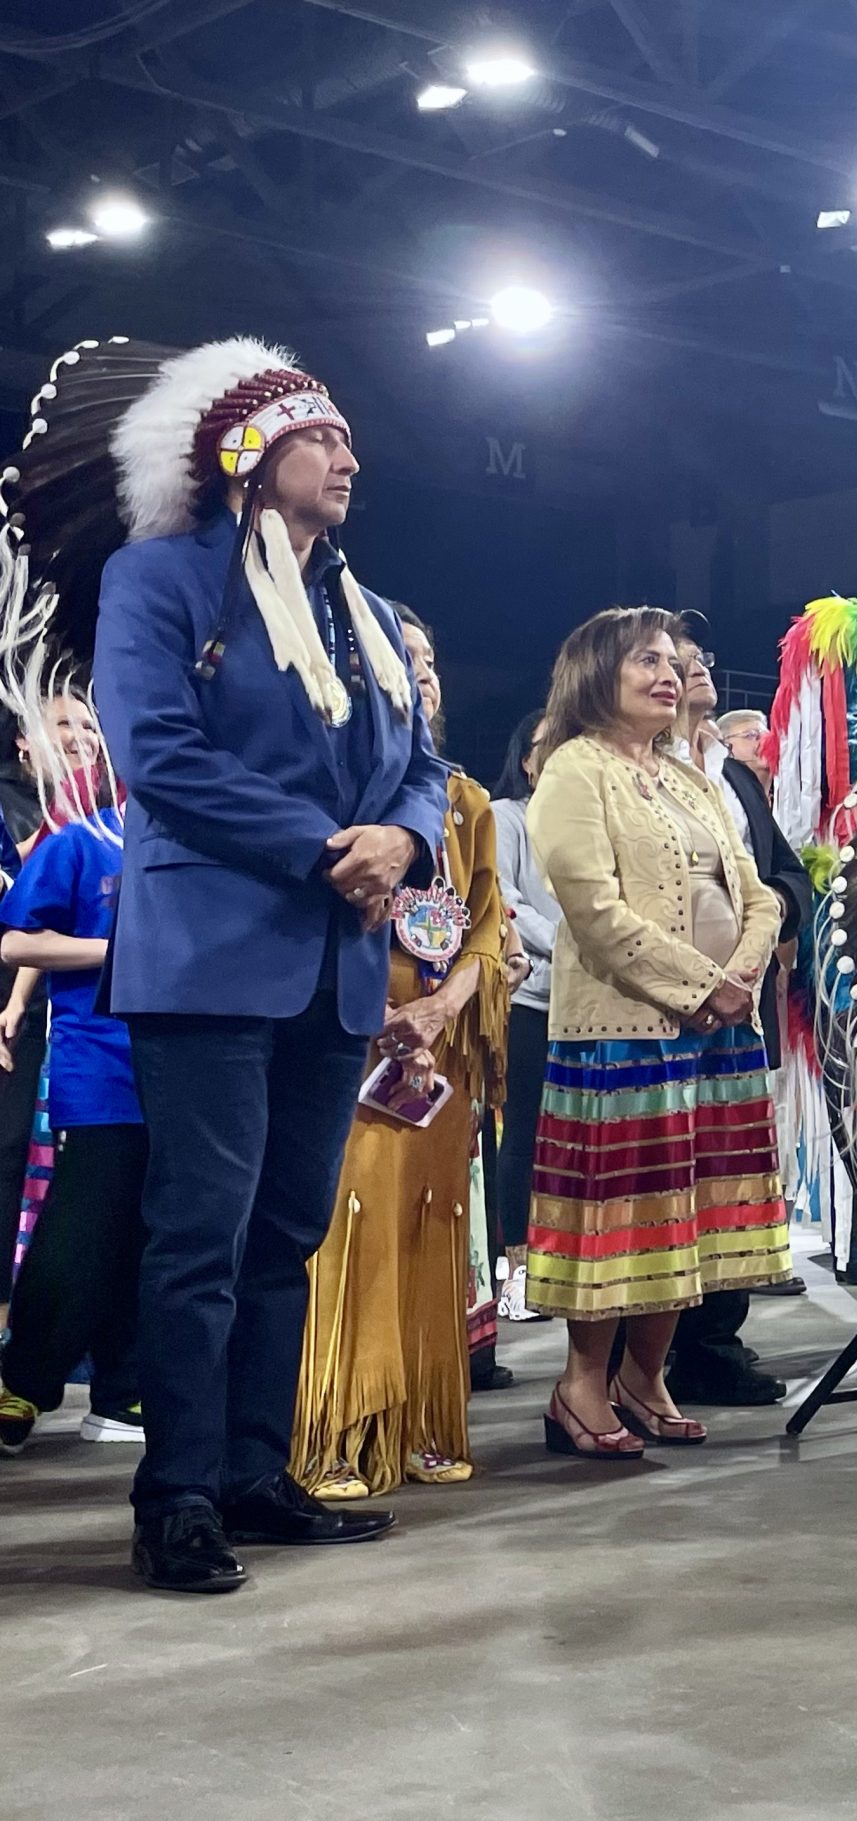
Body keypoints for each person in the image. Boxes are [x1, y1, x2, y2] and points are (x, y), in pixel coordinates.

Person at [53, 338, 449, 1592]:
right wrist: (329, 846)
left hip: (332, 963)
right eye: (319, 438)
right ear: (247, 454)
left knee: (284, 1233)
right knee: (201, 1238)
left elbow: (425, 767)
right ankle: (172, 1493)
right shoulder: (160, 580)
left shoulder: (373, 616)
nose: (347, 458)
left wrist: (407, 838)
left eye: (347, 441)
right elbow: (158, 753)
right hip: (214, 956)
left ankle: (249, 1470)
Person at [523, 608, 789, 1459]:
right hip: (621, 1030)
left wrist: (739, 978)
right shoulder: (574, 768)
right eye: (648, 660)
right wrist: (704, 986)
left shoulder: (694, 778)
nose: (670, 674)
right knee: (620, 1216)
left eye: (677, 661)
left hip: (715, 1029)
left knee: (689, 1215)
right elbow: (592, 911)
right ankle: (579, 1386)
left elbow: (761, 896)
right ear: (597, 671)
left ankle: (645, 1376)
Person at [287, 611, 509, 1497]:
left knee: (432, 1226)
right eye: (396, 660)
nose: (420, 675)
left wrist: (443, 1007)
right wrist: (379, 1012)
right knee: (346, 1228)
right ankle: (330, 1434)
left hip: (437, 1053)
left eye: (428, 660)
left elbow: (490, 933)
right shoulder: (327, 794)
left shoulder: (466, 807)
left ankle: (417, 1422)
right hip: (347, 1041)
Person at [665, 634, 811, 1394]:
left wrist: (766, 923)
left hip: (742, 1003)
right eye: (667, 657)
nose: (693, 668)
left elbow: (782, 873)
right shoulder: (633, 771)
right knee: (663, 1178)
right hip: (664, 1010)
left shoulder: (738, 779)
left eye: (698, 657)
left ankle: (713, 1343)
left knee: (729, 1171)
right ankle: (645, 1351)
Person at [0, 696, 142, 1457]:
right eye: (68, 727)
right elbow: (17, 942)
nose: (86, 739)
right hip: (100, 1062)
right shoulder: (75, 839)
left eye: (96, 727)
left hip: (181, 1068)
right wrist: (117, 953)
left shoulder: (159, 837)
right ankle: (23, 1379)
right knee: (83, 1225)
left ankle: (125, 1391)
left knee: (152, 1231)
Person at [488, 709, 557, 1316]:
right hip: (532, 998)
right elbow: (504, 899)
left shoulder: (586, 819)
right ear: (527, 761)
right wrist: (572, 943)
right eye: (545, 746)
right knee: (525, 1135)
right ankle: (516, 1266)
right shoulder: (506, 815)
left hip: (590, 1005)